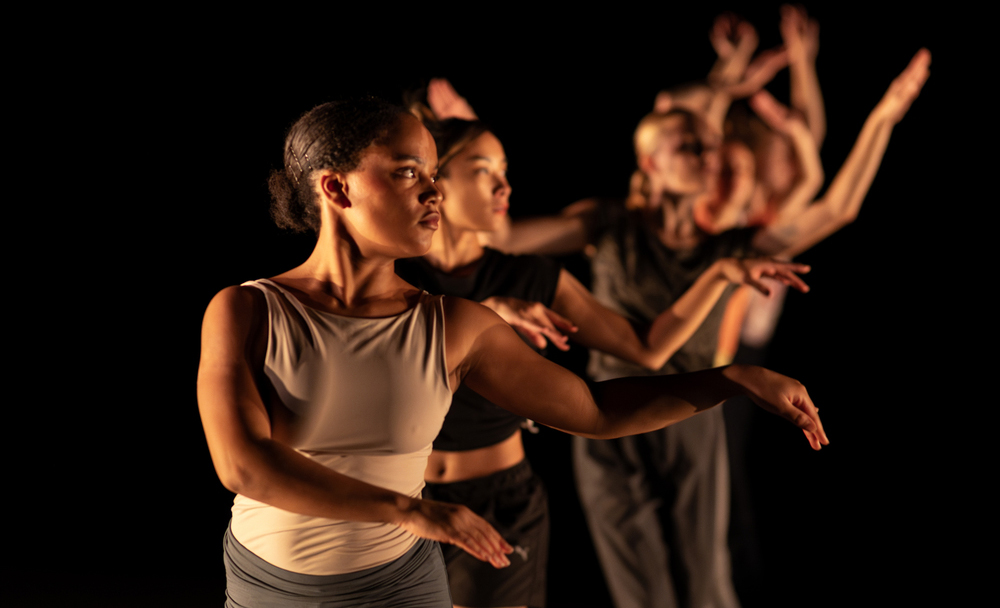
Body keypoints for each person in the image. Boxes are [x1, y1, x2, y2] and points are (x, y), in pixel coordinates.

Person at [196, 97, 828, 608]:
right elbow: (243, 466)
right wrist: (414, 512)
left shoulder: (455, 326)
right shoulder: (247, 310)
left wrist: (730, 380)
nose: (433, 193)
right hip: (271, 586)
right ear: (336, 189)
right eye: (407, 171)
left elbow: (596, 410)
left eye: (437, 175)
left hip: (403, 583)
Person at [488, 49, 929, 608]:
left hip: (688, 414)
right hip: (607, 414)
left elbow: (836, 208)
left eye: (708, 147)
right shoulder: (610, 223)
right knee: (639, 590)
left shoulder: (729, 248)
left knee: (705, 585)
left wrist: (882, 117)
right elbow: (505, 237)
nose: (705, 155)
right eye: (687, 146)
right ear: (650, 164)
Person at [394, 114, 812, 608]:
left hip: (500, 500)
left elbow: (647, 347)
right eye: (485, 169)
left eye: (505, 168)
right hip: (405, 501)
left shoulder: (532, 276)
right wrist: (485, 313)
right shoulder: (394, 276)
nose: (506, 184)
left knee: (699, 572)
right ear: (435, 177)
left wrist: (721, 284)